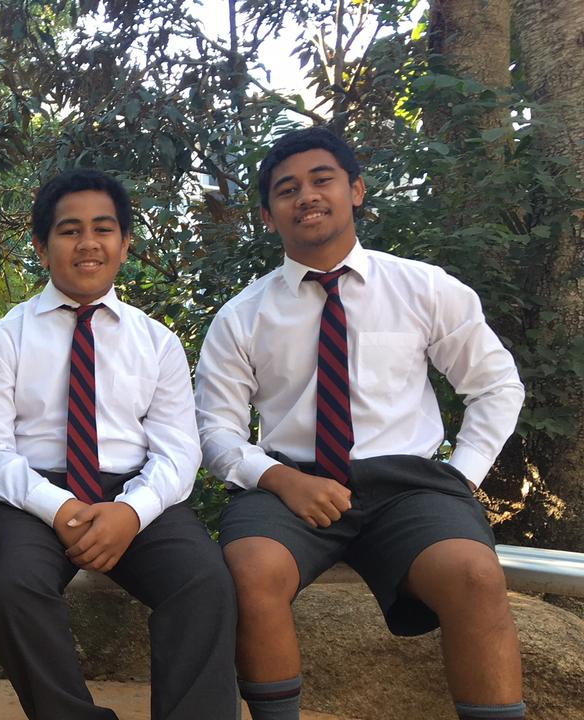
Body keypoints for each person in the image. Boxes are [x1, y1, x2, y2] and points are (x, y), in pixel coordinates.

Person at [195, 126, 526, 720]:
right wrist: (279, 479)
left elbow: (496, 386)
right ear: (269, 215)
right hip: (290, 486)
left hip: (409, 487)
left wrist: (462, 476)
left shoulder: (423, 288)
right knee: (249, 571)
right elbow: (215, 431)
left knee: (475, 576)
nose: (307, 196)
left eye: (322, 180)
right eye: (286, 189)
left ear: (357, 190)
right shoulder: (242, 316)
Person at [0, 169, 237, 720]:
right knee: (7, 587)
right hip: (34, 497)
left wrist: (130, 513)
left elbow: (179, 450)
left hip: (135, 495)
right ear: (42, 247)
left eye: (103, 229)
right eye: (69, 231)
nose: (88, 243)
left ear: (124, 242)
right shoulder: (4, 339)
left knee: (204, 582)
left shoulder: (156, 342)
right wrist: (58, 507)